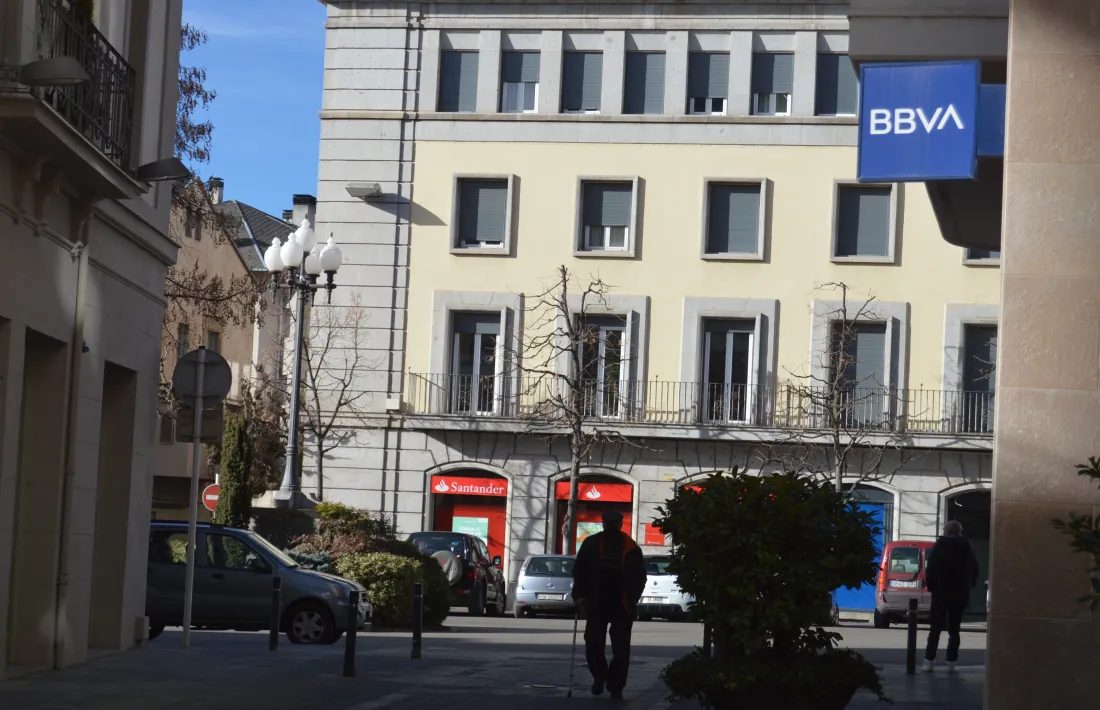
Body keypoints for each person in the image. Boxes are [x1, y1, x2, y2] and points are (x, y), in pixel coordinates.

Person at [571, 509, 647, 699]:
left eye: (615, 522)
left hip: (622, 605)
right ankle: (600, 675)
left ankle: (615, 686)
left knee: (621, 651)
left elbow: (640, 577)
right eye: (609, 522)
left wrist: (632, 597)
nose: (612, 525)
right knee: (593, 645)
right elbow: (579, 571)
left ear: (621, 524)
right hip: (596, 603)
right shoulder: (591, 544)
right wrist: (579, 596)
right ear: (603, 523)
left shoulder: (632, 548)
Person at [923, 520, 980, 673]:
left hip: (940, 593)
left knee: (935, 628)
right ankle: (951, 663)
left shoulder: (939, 546)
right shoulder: (967, 547)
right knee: (954, 630)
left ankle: (929, 661)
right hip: (960, 594)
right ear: (959, 531)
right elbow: (975, 571)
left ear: (946, 530)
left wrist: (932, 587)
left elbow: (931, 569)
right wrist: (967, 587)